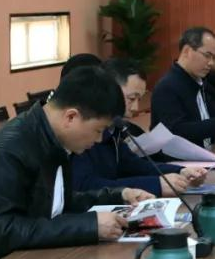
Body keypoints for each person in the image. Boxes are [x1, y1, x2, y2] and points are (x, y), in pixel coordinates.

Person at [0, 67, 154, 257]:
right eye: (98, 130)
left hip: (28, 258)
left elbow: (58, 202)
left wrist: (119, 195)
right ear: (71, 117)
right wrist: (89, 226)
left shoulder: (52, 138)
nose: (99, 140)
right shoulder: (7, 150)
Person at [71, 57, 207, 197]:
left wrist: (180, 171)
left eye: (139, 99)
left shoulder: (114, 129)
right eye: (131, 98)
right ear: (109, 90)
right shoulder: (82, 129)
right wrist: (156, 184)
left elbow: (133, 165)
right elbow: (83, 185)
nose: (135, 107)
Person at [150, 26, 215, 147]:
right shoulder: (167, 87)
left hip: (210, 152)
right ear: (187, 51)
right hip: (183, 157)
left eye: (214, 57)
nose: (211, 63)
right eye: (207, 55)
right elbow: (175, 131)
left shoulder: (203, 83)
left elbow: (214, 122)